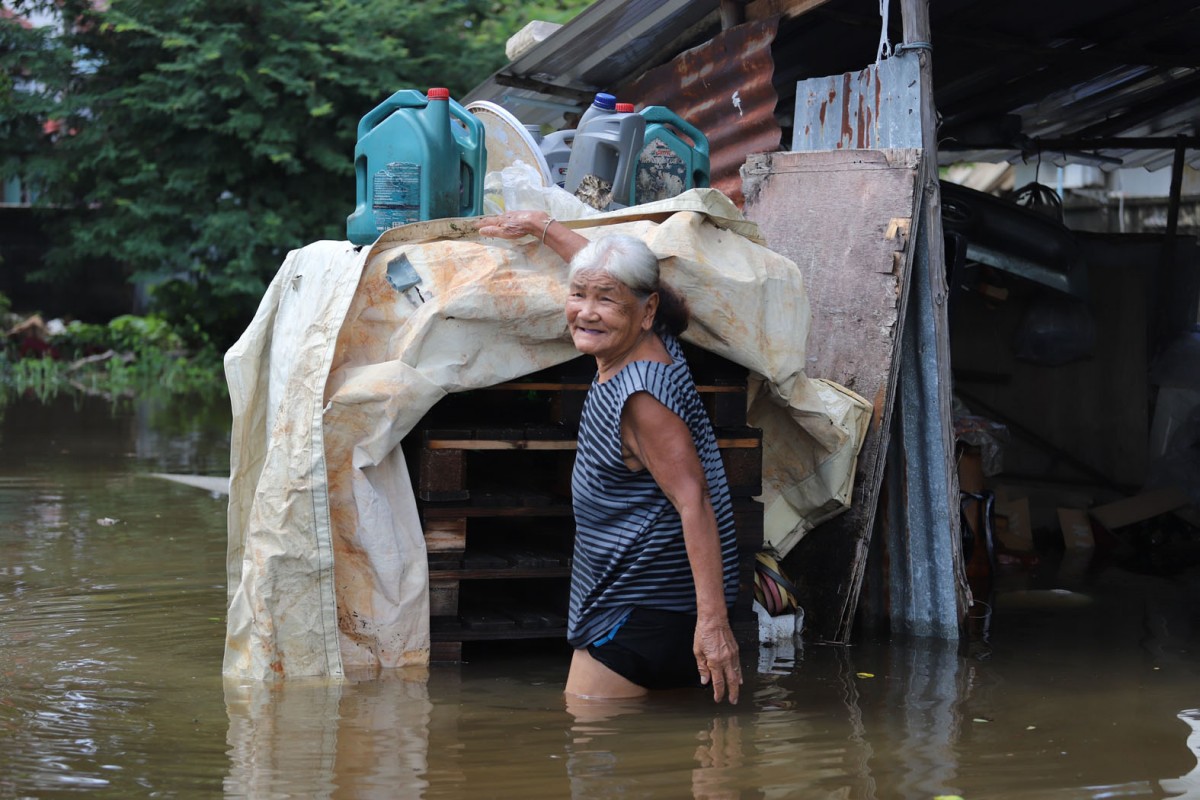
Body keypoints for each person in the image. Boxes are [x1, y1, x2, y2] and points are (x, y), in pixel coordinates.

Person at [476, 211, 742, 705]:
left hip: (644, 604)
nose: (587, 312)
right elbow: (609, 276)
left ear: (646, 310)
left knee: (589, 742)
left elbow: (694, 502)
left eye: (606, 302)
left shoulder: (642, 394)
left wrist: (713, 624)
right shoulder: (652, 334)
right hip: (654, 601)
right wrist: (543, 226)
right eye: (578, 295)